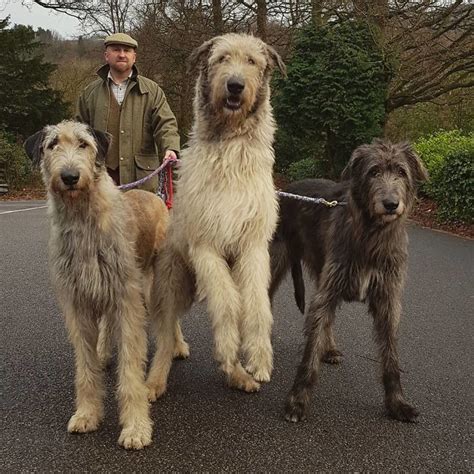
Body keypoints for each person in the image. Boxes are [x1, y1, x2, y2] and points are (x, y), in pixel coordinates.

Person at [76, 33, 180, 192]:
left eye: (127, 50)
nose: (122, 54)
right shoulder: (89, 93)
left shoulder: (152, 91)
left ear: (134, 57)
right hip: (100, 178)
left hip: (141, 179)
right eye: (116, 49)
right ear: (106, 55)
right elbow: (78, 133)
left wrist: (171, 148)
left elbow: (166, 124)